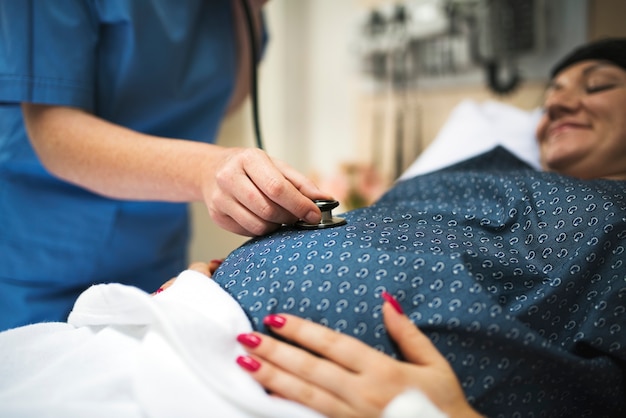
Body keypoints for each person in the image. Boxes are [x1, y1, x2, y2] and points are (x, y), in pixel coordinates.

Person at [213, 37, 626, 417]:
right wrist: (221, 282)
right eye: (552, 93)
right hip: (207, 330)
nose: (557, 104)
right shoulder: (483, 170)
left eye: (598, 86)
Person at [0, 0, 330, 331]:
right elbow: (55, 134)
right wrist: (205, 169)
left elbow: (225, 98)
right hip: (43, 260)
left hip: (155, 252)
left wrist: (249, 11)